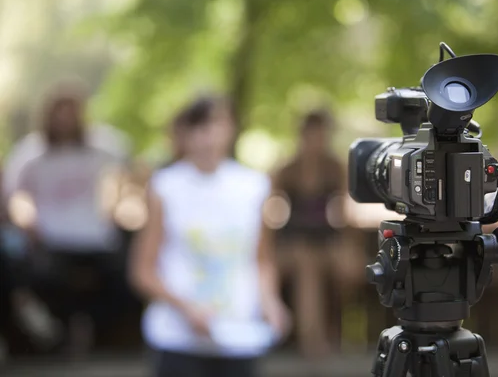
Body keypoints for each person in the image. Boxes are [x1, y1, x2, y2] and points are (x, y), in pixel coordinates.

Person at [130, 95, 290, 377]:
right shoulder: (165, 187)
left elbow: (262, 260)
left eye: (217, 125)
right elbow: (143, 270)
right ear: (184, 134)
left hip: (239, 338)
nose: (209, 137)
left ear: (231, 128)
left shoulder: (254, 186)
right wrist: (186, 309)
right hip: (178, 341)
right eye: (200, 127)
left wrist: (270, 302)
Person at [13, 86, 130, 356]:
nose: (65, 120)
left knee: (122, 279)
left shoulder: (101, 144)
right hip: (51, 238)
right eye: (59, 113)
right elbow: (14, 193)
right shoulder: (32, 151)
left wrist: (119, 206)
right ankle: (61, 335)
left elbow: (130, 166)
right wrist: (28, 224)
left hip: (95, 236)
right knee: (41, 278)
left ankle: (99, 334)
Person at [271, 109, 347, 359]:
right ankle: (311, 342)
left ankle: (334, 335)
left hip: (325, 241)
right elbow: (269, 211)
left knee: (347, 268)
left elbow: (344, 213)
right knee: (306, 264)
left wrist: (347, 246)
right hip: (292, 243)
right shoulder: (287, 170)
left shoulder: (335, 168)